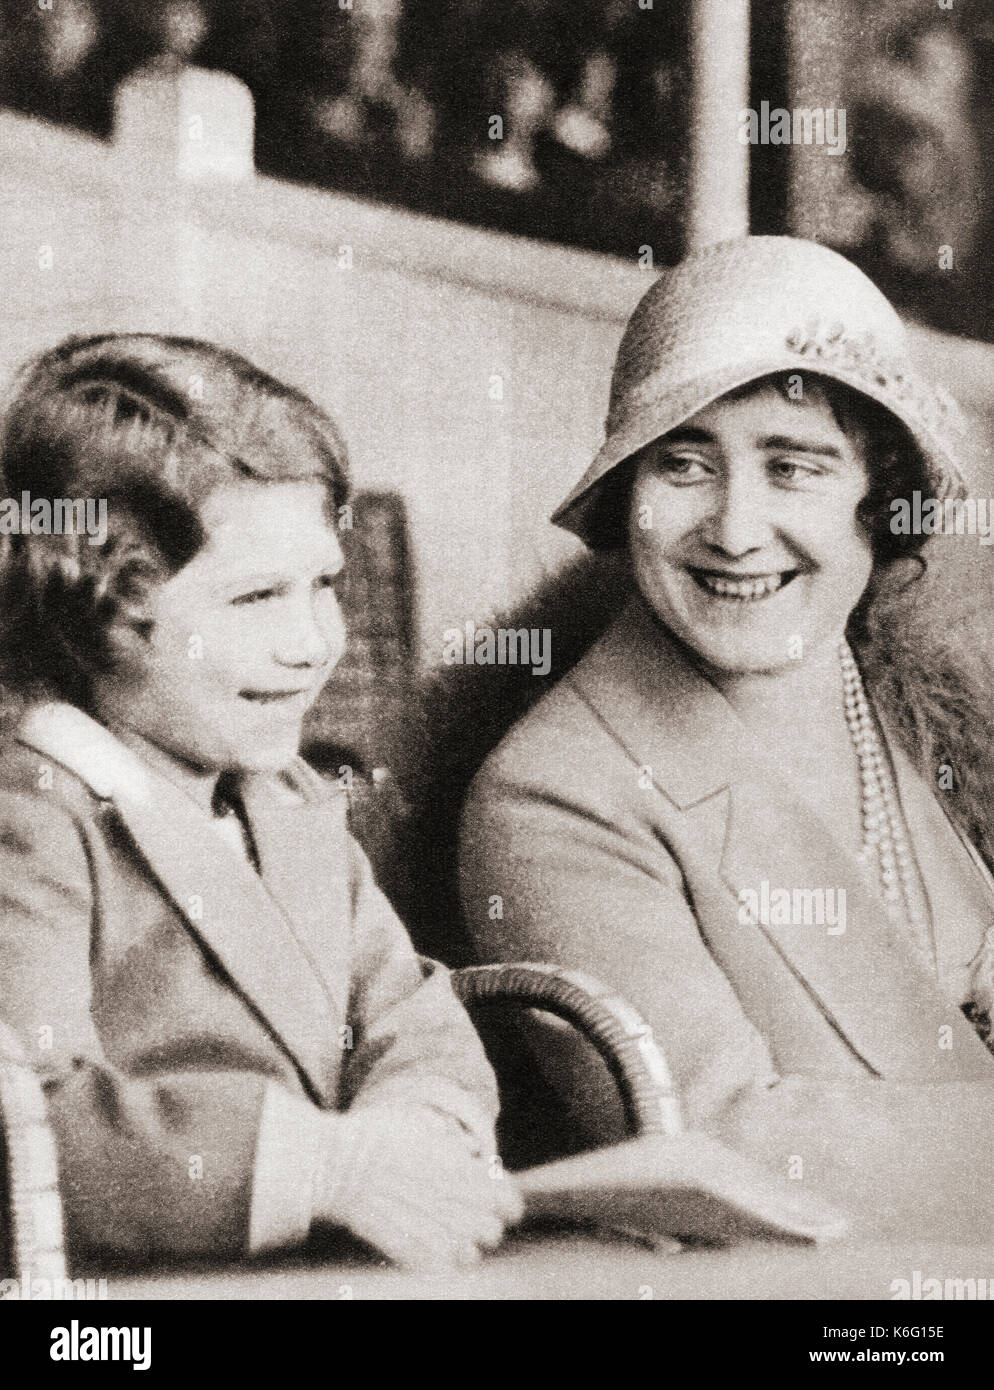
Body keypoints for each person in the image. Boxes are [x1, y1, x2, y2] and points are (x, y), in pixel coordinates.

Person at [459, 235, 994, 1241]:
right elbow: (717, 1149)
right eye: (685, 465)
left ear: (874, 497)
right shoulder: (553, 793)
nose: (736, 529)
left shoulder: (886, 694)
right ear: (627, 496)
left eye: (792, 466)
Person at [0, 333, 520, 1268]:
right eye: (258, 599)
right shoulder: (35, 816)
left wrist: (414, 1124)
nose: (316, 642)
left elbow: (406, 1012)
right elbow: (28, 1122)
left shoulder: (291, 803)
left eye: (324, 585)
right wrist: (322, 1169)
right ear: (103, 611)